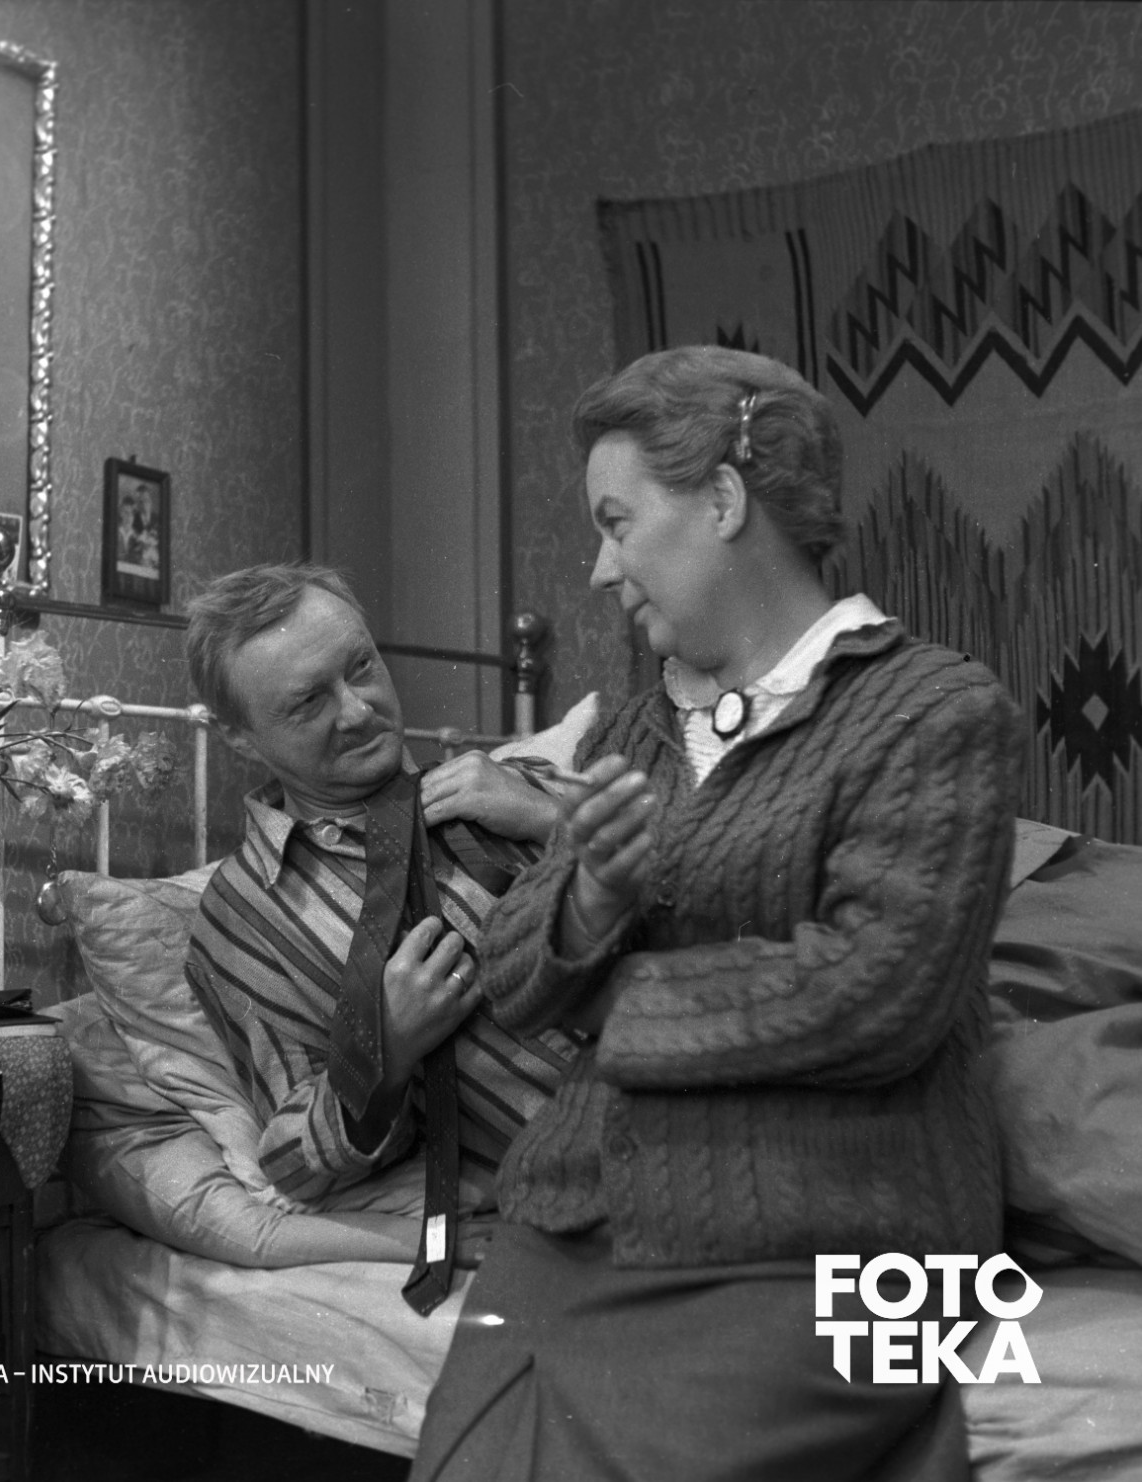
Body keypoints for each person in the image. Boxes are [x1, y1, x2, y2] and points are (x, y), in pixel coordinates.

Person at [410, 347, 1025, 1481]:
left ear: (725, 501)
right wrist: (590, 896)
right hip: (568, 1228)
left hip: (825, 1238)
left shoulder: (933, 711)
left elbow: (877, 994)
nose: (600, 569)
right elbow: (515, 977)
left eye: (617, 523)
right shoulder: (635, 733)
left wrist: (620, 996)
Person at [183, 564, 580, 1300]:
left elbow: (715, 895)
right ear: (238, 737)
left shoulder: (511, 782)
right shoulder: (243, 920)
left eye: (361, 666)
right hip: (589, 1188)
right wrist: (385, 1052)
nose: (358, 711)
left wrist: (551, 817)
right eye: (308, 702)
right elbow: (294, 1162)